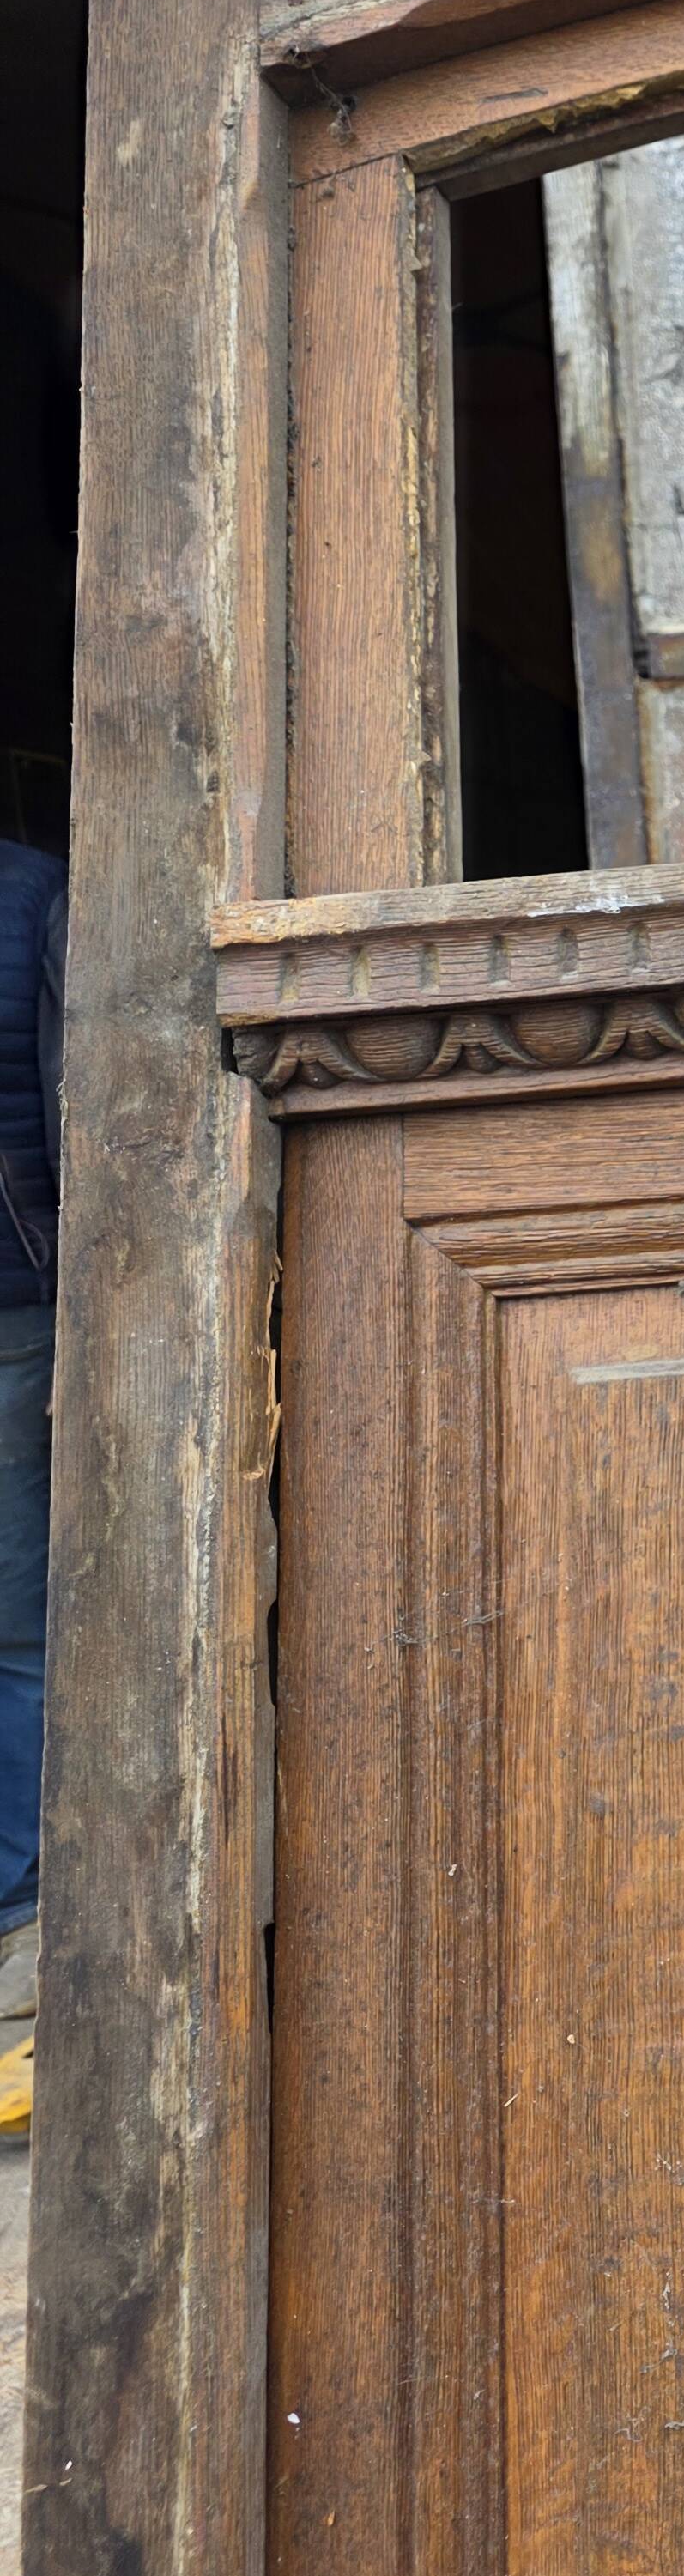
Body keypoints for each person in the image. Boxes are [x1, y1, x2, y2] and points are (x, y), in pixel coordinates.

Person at [0, 834, 66, 2083]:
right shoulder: (34, 887)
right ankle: (15, 1891)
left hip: (13, 1302)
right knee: (19, 1619)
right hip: (19, 1297)